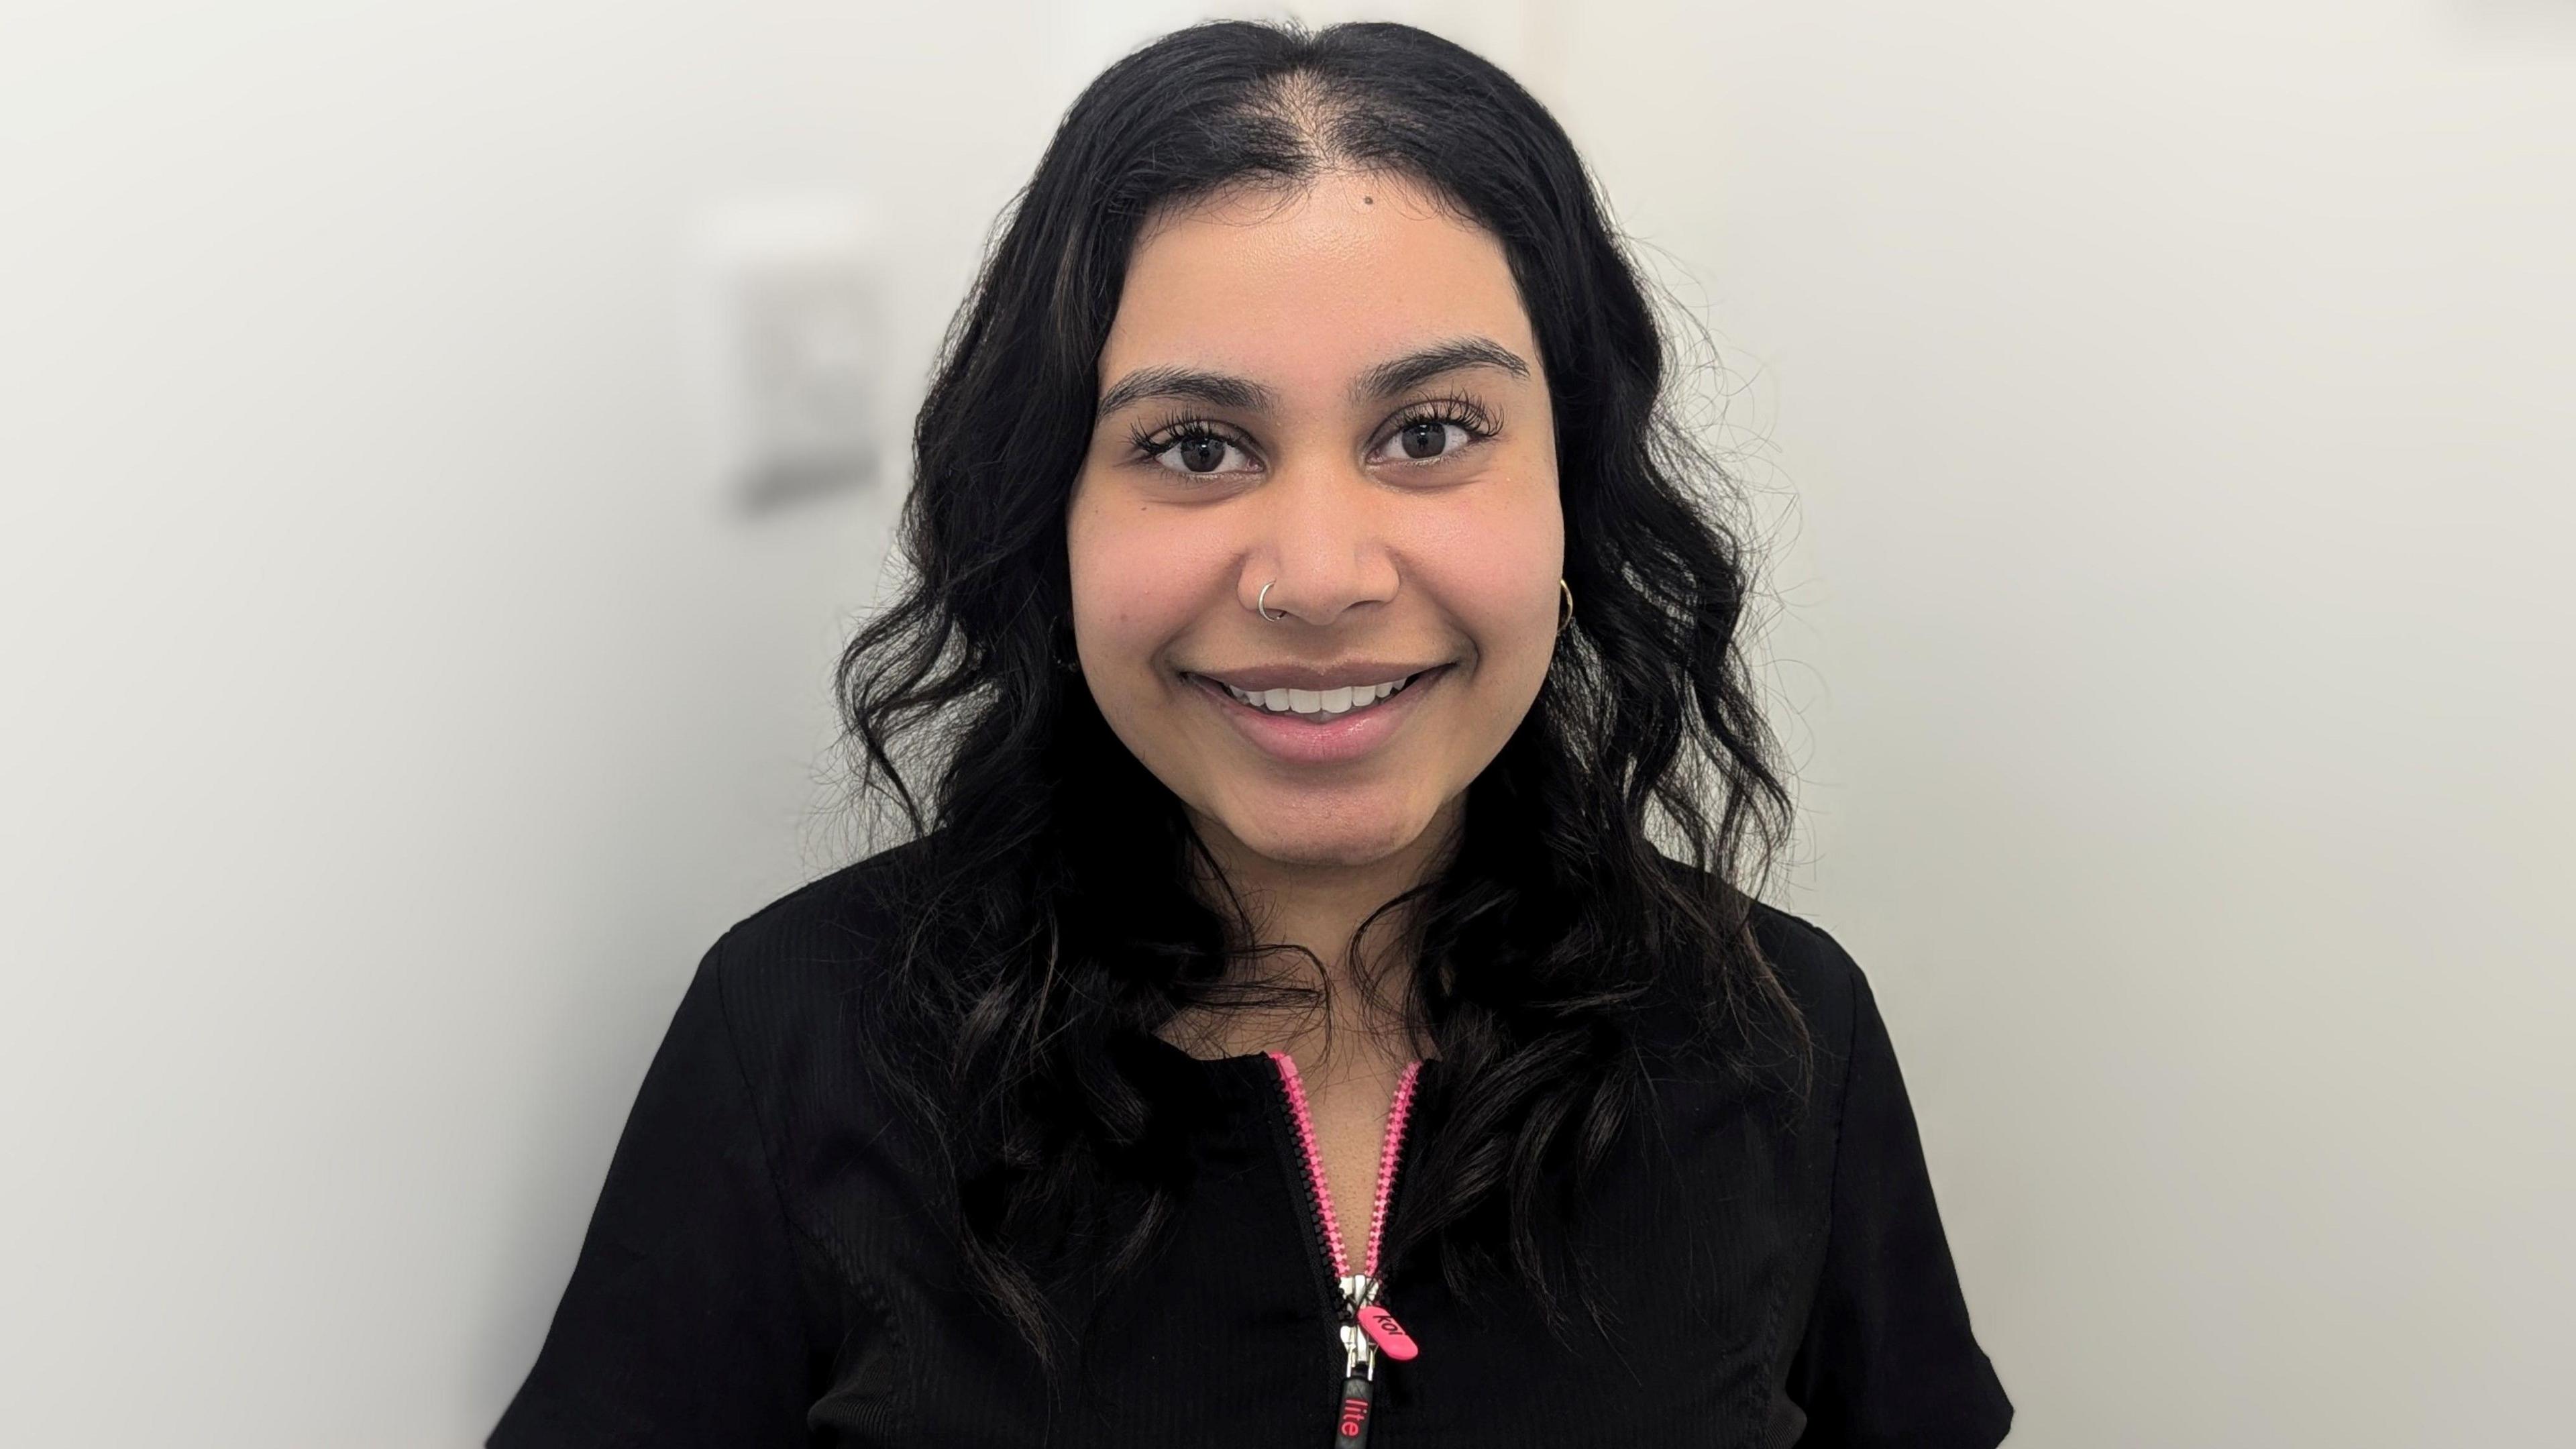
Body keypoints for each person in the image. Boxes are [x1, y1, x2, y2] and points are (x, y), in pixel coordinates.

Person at [490, 18, 2010, 1448]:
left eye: (1431, 433)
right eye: (1194, 446)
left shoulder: (1784, 1032)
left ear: (1575, 489)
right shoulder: (797, 1037)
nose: (1320, 577)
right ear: (1048, 518)